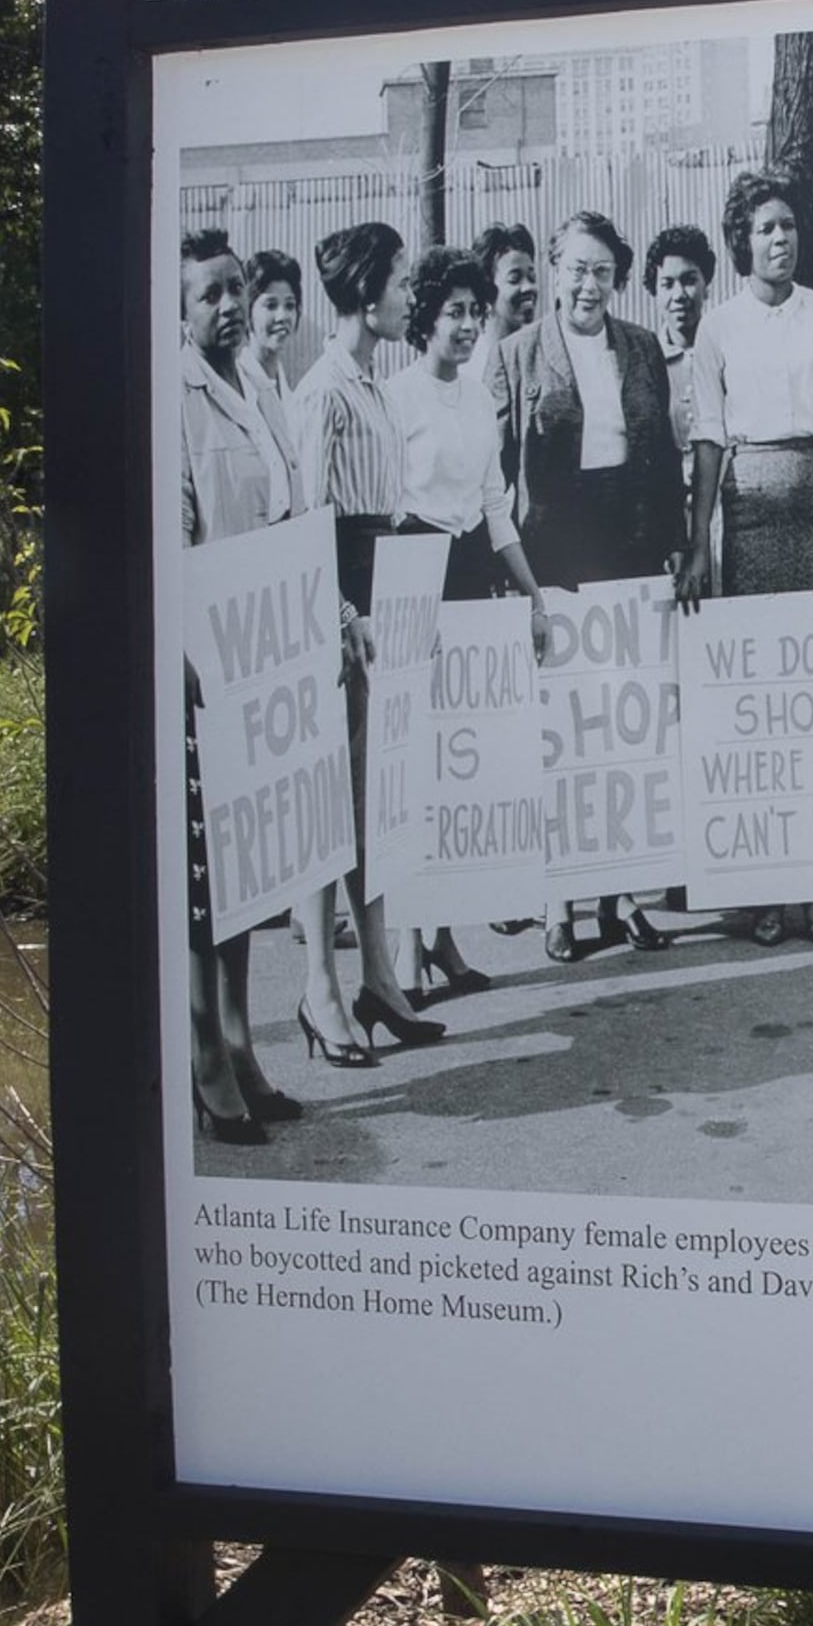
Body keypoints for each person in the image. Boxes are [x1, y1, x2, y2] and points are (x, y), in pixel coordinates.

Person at [688, 170, 813, 945]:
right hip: (747, 511)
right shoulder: (719, 327)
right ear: (743, 238)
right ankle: (765, 889)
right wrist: (700, 543)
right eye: (767, 228)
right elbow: (708, 437)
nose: (782, 240)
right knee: (759, 707)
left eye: (790, 227)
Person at [489, 211, 689, 956]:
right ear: (552, 269)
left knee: (626, 729)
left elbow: (664, 462)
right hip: (555, 558)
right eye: (576, 268)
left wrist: (671, 545)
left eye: (603, 271)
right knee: (560, 736)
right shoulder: (515, 355)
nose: (589, 285)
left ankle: (622, 898)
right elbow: (495, 470)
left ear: (618, 279)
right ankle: (558, 905)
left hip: (630, 555)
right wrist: (513, 579)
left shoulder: (639, 347)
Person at [288, 220, 457, 1064]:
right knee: (335, 805)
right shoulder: (322, 391)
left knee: (374, 800)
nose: (405, 299)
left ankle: (380, 978)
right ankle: (321, 987)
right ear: (364, 292)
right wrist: (345, 616)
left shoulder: (373, 386)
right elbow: (310, 518)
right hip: (342, 612)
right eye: (396, 283)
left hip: (382, 600)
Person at [388, 243, 562, 1002]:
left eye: (473, 312)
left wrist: (532, 595)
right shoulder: (394, 399)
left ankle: (445, 939)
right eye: (451, 312)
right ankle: (403, 952)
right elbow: (388, 507)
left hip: (469, 577)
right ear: (424, 318)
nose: (465, 326)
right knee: (412, 766)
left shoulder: (480, 403)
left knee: (459, 763)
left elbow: (495, 507)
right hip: (409, 572)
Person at [175, 228, 307, 1146]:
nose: (227, 307)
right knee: (203, 874)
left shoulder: (261, 386)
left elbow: (289, 509)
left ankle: (241, 1038)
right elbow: (178, 537)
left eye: (235, 289)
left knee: (251, 868)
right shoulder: (177, 399)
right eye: (208, 296)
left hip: (265, 648)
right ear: (182, 310)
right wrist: (192, 650)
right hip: (205, 655)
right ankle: (203, 1056)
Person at [644, 222, 718, 456]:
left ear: (706, 286)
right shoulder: (644, 361)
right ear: (655, 292)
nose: (678, 295)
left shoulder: (726, 353)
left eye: (689, 281)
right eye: (667, 284)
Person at [240, 246, 308, 446]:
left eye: (289, 305)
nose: (283, 317)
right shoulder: (238, 387)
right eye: (270, 305)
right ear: (247, 312)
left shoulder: (291, 394)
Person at [475, 220, 542, 339]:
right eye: (515, 279)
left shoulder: (538, 352)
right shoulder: (475, 356)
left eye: (532, 278)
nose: (529, 287)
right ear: (487, 291)